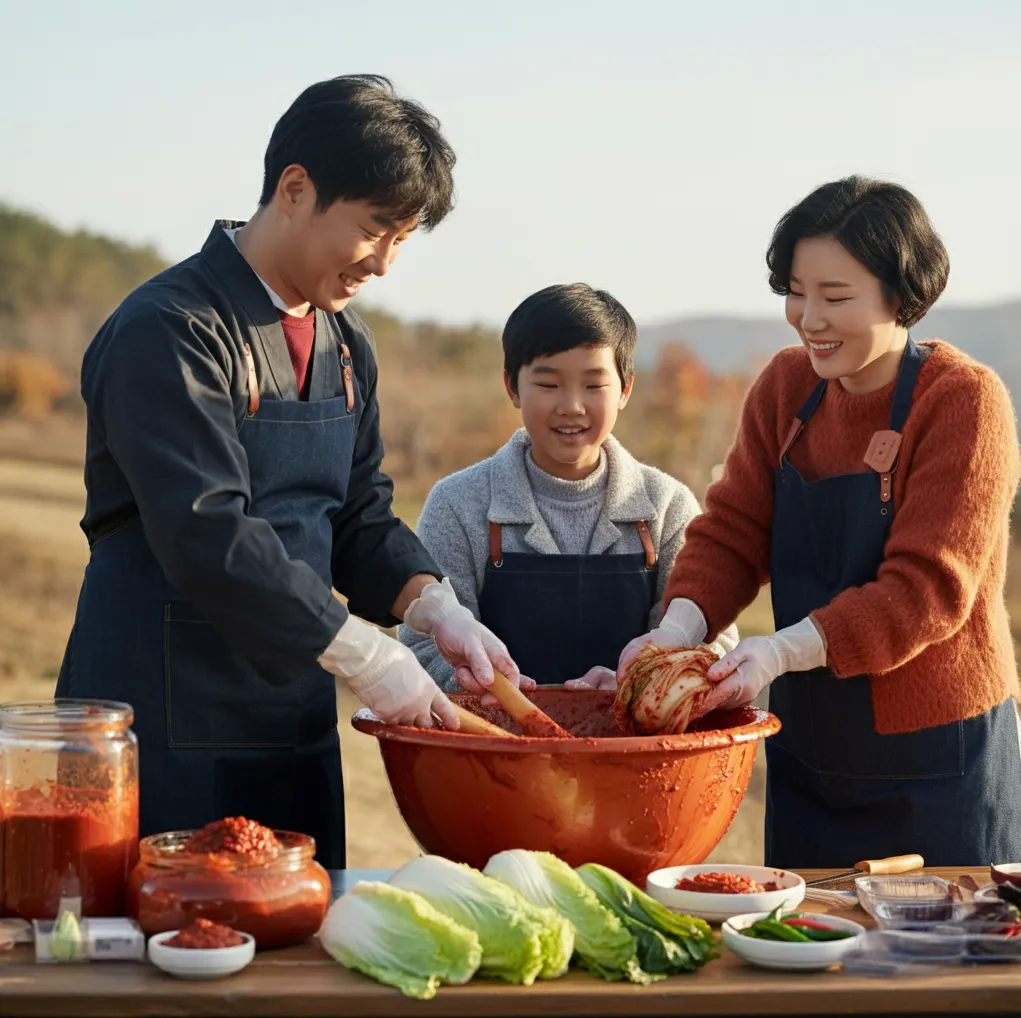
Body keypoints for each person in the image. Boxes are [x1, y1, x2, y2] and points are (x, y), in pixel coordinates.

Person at [56, 75, 524, 867]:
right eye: (374, 229)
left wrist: (433, 605)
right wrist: (364, 655)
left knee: (301, 953)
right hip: (162, 713)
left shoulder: (346, 346)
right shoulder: (171, 328)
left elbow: (358, 515)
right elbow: (207, 531)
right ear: (296, 189)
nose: (383, 262)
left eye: (403, 239)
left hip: (290, 719)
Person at [619, 176, 1021, 867]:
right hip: (812, 752)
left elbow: (927, 590)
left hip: (936, 762)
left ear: (900, 295)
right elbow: (732, 531)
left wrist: (777, 652)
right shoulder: (784, 386)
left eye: (834, 298)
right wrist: (673, 633)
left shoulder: (964, 401)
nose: (808, 317)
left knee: (944, 968)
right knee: (812, 957)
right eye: (794, 292)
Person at [399, 283, 737, 691]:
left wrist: (637, 690)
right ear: (512, 387)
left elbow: (710, 640)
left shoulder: (666, 507)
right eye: (548, 384)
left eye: (594, 386)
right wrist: (489, 691)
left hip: (635, 748)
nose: (572, 405)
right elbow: (424, 643)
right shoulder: (458, 504)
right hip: (493, 745)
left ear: (625, 389)